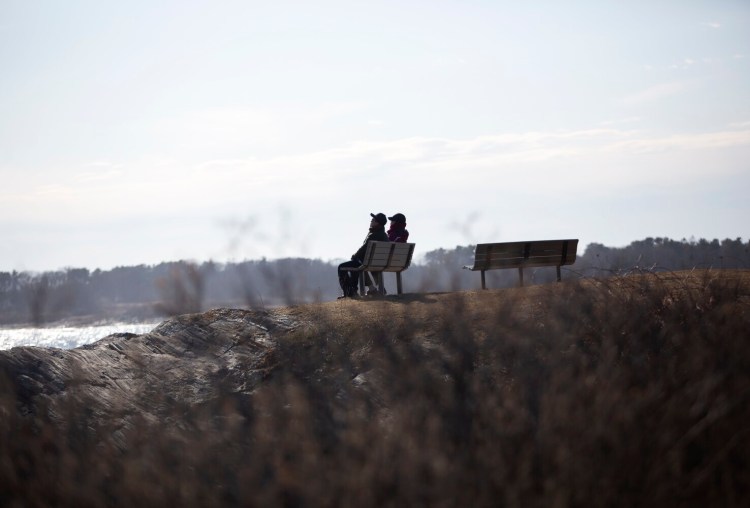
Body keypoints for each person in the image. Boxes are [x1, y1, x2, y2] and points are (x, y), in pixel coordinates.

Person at [338, 213, 389, 298]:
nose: (371, 221)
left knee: (342, 267)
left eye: (373, 220)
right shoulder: (384, 236)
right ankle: (360, 290)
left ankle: (350, 292)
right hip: (376, 263)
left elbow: (364, 248)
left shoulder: (374, 235)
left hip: (367, 262)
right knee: (357, 263)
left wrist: (354, 256)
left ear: (377, 223)